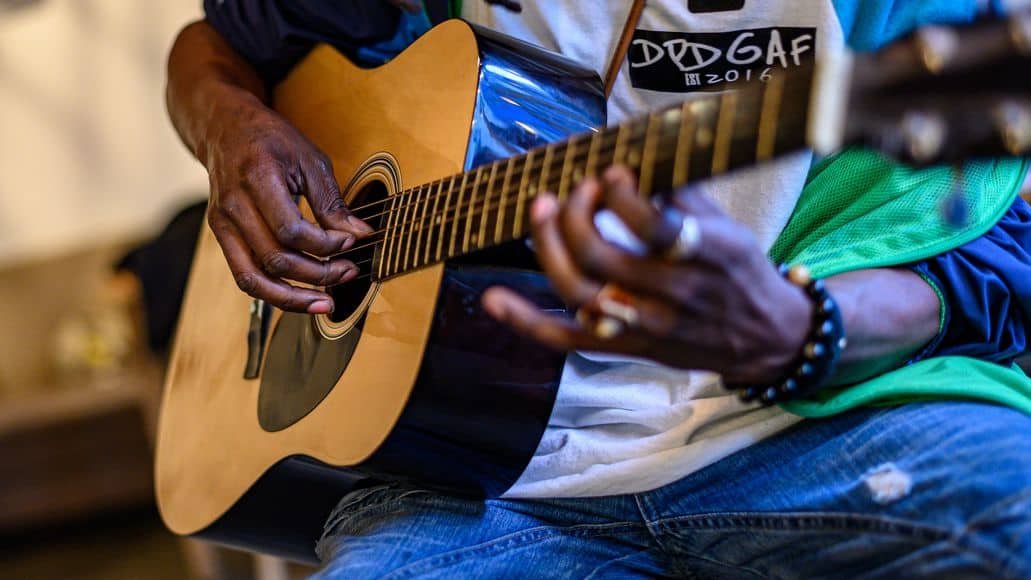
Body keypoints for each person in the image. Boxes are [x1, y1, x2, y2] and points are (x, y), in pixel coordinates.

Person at [166, 1, 1031, 577]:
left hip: (811, 428)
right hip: (475, 483)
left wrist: (799, 330)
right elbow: (217, 44)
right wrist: (228, 128)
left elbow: (990, 271)